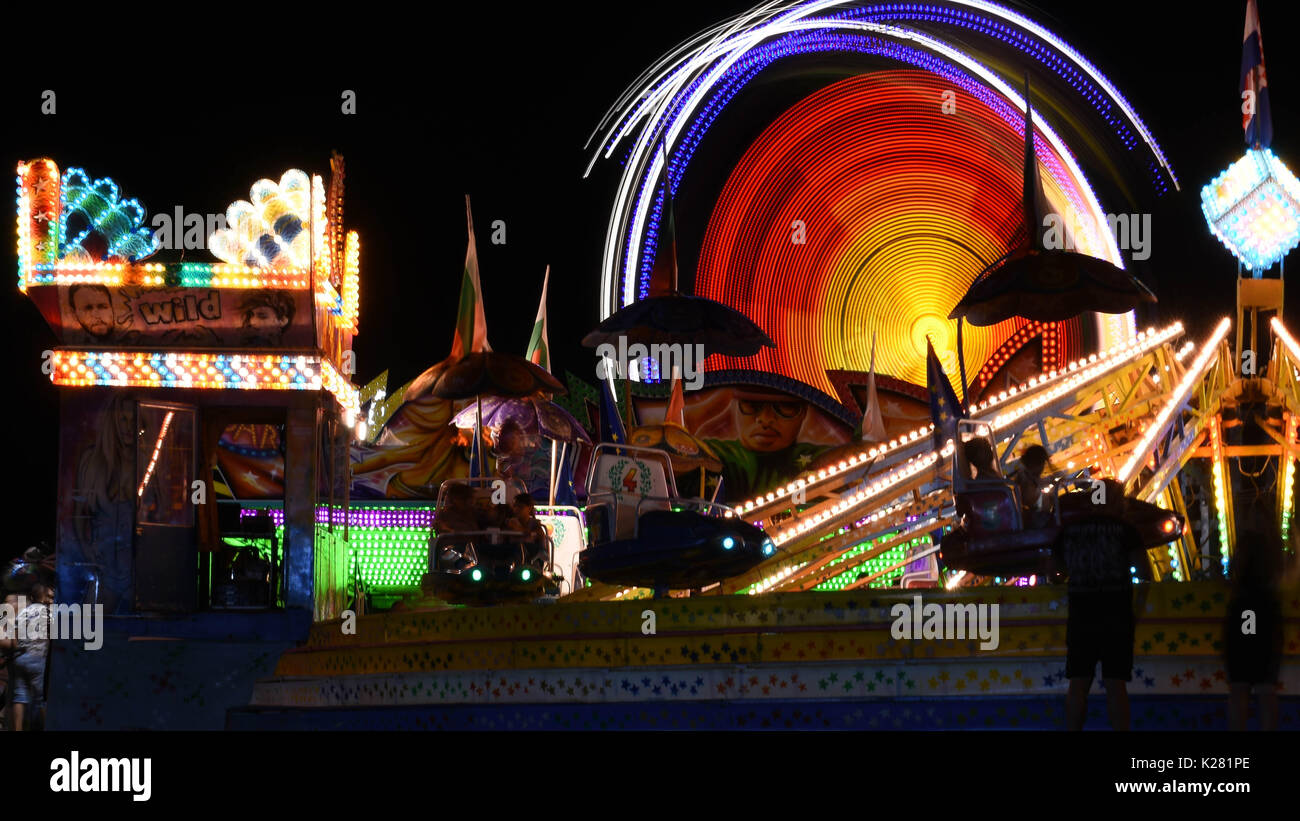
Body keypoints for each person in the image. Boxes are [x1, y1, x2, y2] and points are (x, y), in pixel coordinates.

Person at [1059, 493, 1143, 731]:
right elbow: (1145, 572)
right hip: (1116, 613)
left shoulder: (1070, 530)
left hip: (1081, 613)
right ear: (1114, 502)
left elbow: (1055, 571)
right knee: (1116, 685)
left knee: (1078, 684)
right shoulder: (1125, 529)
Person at [1223, 527, 1287, 730]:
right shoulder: (1272, 548)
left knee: (1239, 688)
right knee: (1266, 689)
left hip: (1242, 612)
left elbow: (1231, 577)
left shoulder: (1243, 545)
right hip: (1266, 612)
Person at [6, 582, 52, 731]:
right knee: (41, 698)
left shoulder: (22, 612)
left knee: (19, 697)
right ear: (45, 597)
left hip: (20, 658)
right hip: (38, 658)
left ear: (32, 597)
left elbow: (14, 638)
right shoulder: (48, 613)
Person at [1009, 444, 1052, 525]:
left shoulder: (1024, 477)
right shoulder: (1027, 483)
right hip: (1034, 528)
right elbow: (1034, 507)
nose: (1043, 467)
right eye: (1043, 463)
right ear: (1038, 464)